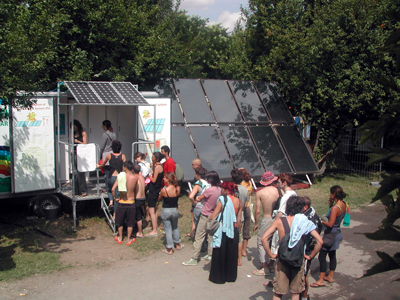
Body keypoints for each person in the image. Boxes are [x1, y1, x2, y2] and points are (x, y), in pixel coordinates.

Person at [261, 196, 323, 300]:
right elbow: (320, 241)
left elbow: (264, 239)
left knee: (278, 293)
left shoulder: (280, 221)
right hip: (298, 259)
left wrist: (270, 254)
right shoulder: (304, 222)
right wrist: (310, 256)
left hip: (282, 259)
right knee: (295, 293)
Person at [311, 186, 347, 288]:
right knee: (332, 255)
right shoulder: (343, 204)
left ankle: (321, 279)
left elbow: (330, 223)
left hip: (330, 235)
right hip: (337, 233)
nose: (329, 195)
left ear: (334, 194)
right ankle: (330, 276)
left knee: (322, 256)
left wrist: (321, 221)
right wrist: (330, 206)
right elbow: (336, 218)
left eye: (330, 193)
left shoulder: (335, 208)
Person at [182, 171, 221, 266]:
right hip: (215, 215)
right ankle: (210, 254)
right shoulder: (220, 189)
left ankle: (195, 257)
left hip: (205, 214)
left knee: (199, 236)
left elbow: (199, 198)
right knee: (211, 236)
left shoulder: (209, 190)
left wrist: (197, 198)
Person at [209, 181, 242, 284]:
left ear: (226, 190)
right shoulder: (238, 201)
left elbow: (213, 215)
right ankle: (230, 276)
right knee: (231, 254)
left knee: (220, 254)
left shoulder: (222, 200)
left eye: (222, 189)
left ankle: (219, 277)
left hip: (223, 231)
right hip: (234, 229)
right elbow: (239, 219)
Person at [252, 171, 280, 277]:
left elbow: (258, 211)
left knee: (261, 240)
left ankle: (265, 267)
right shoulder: (280, 191)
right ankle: (272, 264)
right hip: (279, 219)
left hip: (267, 219)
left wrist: (256, 223)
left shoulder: (260, 193)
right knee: (275, 241)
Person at [97, 140, 126, 219]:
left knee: (108, 189)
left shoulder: (109, 156)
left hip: (111, 176)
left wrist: (98, 166)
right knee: (117, 195)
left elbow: (102, 164)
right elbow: (124, 167)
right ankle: (115, 214)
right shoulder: (123, 156)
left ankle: (110, 201)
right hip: (118, 178)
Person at [270, 173, 297, 257]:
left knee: (277, 246)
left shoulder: (285, 197)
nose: (277, 184)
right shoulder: (294, 193)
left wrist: (273, 225)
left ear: (284, 182)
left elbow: (280, 213)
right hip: (291, 223)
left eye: (279, 182)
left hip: (283, 223)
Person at [111, 161, 138, 245]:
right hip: (131, 201)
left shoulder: (120, 177)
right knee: (130, 222)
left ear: (125, 168)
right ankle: (129, 239)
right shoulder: (135, 178)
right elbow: (136, 190)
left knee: (120, 221)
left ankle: (120, 237)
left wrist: (115, 198)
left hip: (122, 201)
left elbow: (112, 189)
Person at [302, 197, 323, 299]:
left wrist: (311, 256)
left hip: (307, 249)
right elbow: (321, 227)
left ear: (305, 207)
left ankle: (305, 296)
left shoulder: (308, 219)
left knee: (303, 275)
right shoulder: (312, 212)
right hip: (308, 247)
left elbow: (319, 241)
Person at [158, 172, 184, 254]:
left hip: (166, 210)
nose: (163, 179)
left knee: (168, 229)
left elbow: (159, 199)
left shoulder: (164, 190)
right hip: (175, 210)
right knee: (175, 227)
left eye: (165, 177)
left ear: (168, 179)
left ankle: (169, 248)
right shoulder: (177, 189)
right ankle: (178, 244)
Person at [231, 169, 249, 266]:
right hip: (240, 216)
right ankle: (239, 260)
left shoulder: (231, 188)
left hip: (231, 216)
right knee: (239, 239)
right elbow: (246, 202)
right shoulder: (244, 189)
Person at [145, 151, 164, 237]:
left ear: (156, 159)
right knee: (154, 209)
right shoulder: (159, 166)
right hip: (156, 189)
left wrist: (149, 176)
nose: (151, 158)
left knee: (151, 209)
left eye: (152, 157)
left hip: (153, 189)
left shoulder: (157, 168)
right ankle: (154, 226)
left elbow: (154, 180)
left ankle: (154, 230)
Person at [187, 166, 209, 238]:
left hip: (199, 206)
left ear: (198, 175)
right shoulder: (208, 183)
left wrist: (193, 203)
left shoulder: (198, 184)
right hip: (207, 206)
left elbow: (191, 196)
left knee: (199, 227)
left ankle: (200, 245)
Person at [239, 168, 254, 257]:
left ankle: (239, 249)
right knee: (246, 229)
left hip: (241, 208)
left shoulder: (241, 185)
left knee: (239, 229)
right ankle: (244, 250)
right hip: (248, 207)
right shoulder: (250, 183)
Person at [73, 119, 88, 196]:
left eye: (74, 126)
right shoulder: (72, 133)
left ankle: (83, 190)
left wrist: (77, 142)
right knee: (75, 172)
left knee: (81, 173)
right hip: (75, 153)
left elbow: (85, 143)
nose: (73, 128)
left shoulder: (83, 132)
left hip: (81, 154)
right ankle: (76, 190)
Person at [133, 164, 146, 238]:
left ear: (133, 170)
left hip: (137, 198)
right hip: (143, 197)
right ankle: (142, 225)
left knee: (138, 217)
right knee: (141, 213)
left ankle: (140, 232)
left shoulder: (135, 177)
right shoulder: (142, 177)